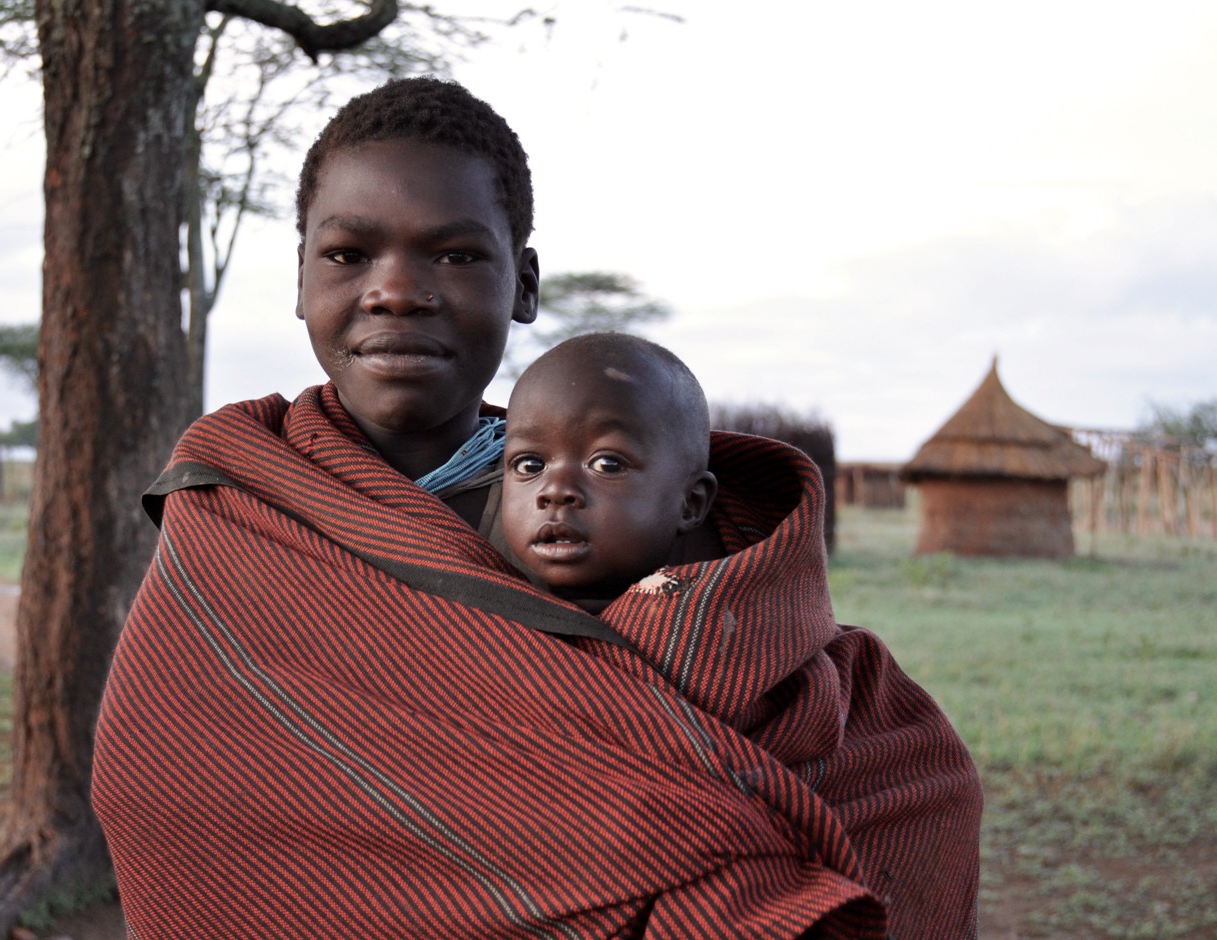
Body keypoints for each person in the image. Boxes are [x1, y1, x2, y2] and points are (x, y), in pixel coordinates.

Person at [93, 76, 982, 939]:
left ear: (521, 285)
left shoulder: (621, 504)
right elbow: (164, 779)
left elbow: (791, 714)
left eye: (454, 254)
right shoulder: (242, 506)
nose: (396, 289)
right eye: (347, 253)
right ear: (299, 280)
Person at [500, 333, 718, 610]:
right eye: (529, 465)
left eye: (608, 464)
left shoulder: (735, 624)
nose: (555, 491)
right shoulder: (475, 609)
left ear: (690, 503)